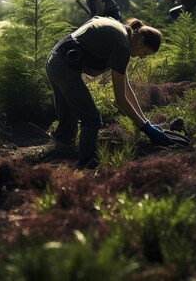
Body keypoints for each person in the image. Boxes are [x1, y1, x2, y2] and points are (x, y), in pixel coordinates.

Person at [46, 17, 169, 169]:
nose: (141, 57)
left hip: (56, 59)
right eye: (144, 52)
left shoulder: (121, 31)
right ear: (140, 40)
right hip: (63, 66)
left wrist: (146, 123)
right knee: (91, 119)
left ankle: (55, 156)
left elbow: (126, 87)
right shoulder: (122, 46)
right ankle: (86, 165)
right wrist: (146, 129)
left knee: (69, 125)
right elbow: (121, 99)